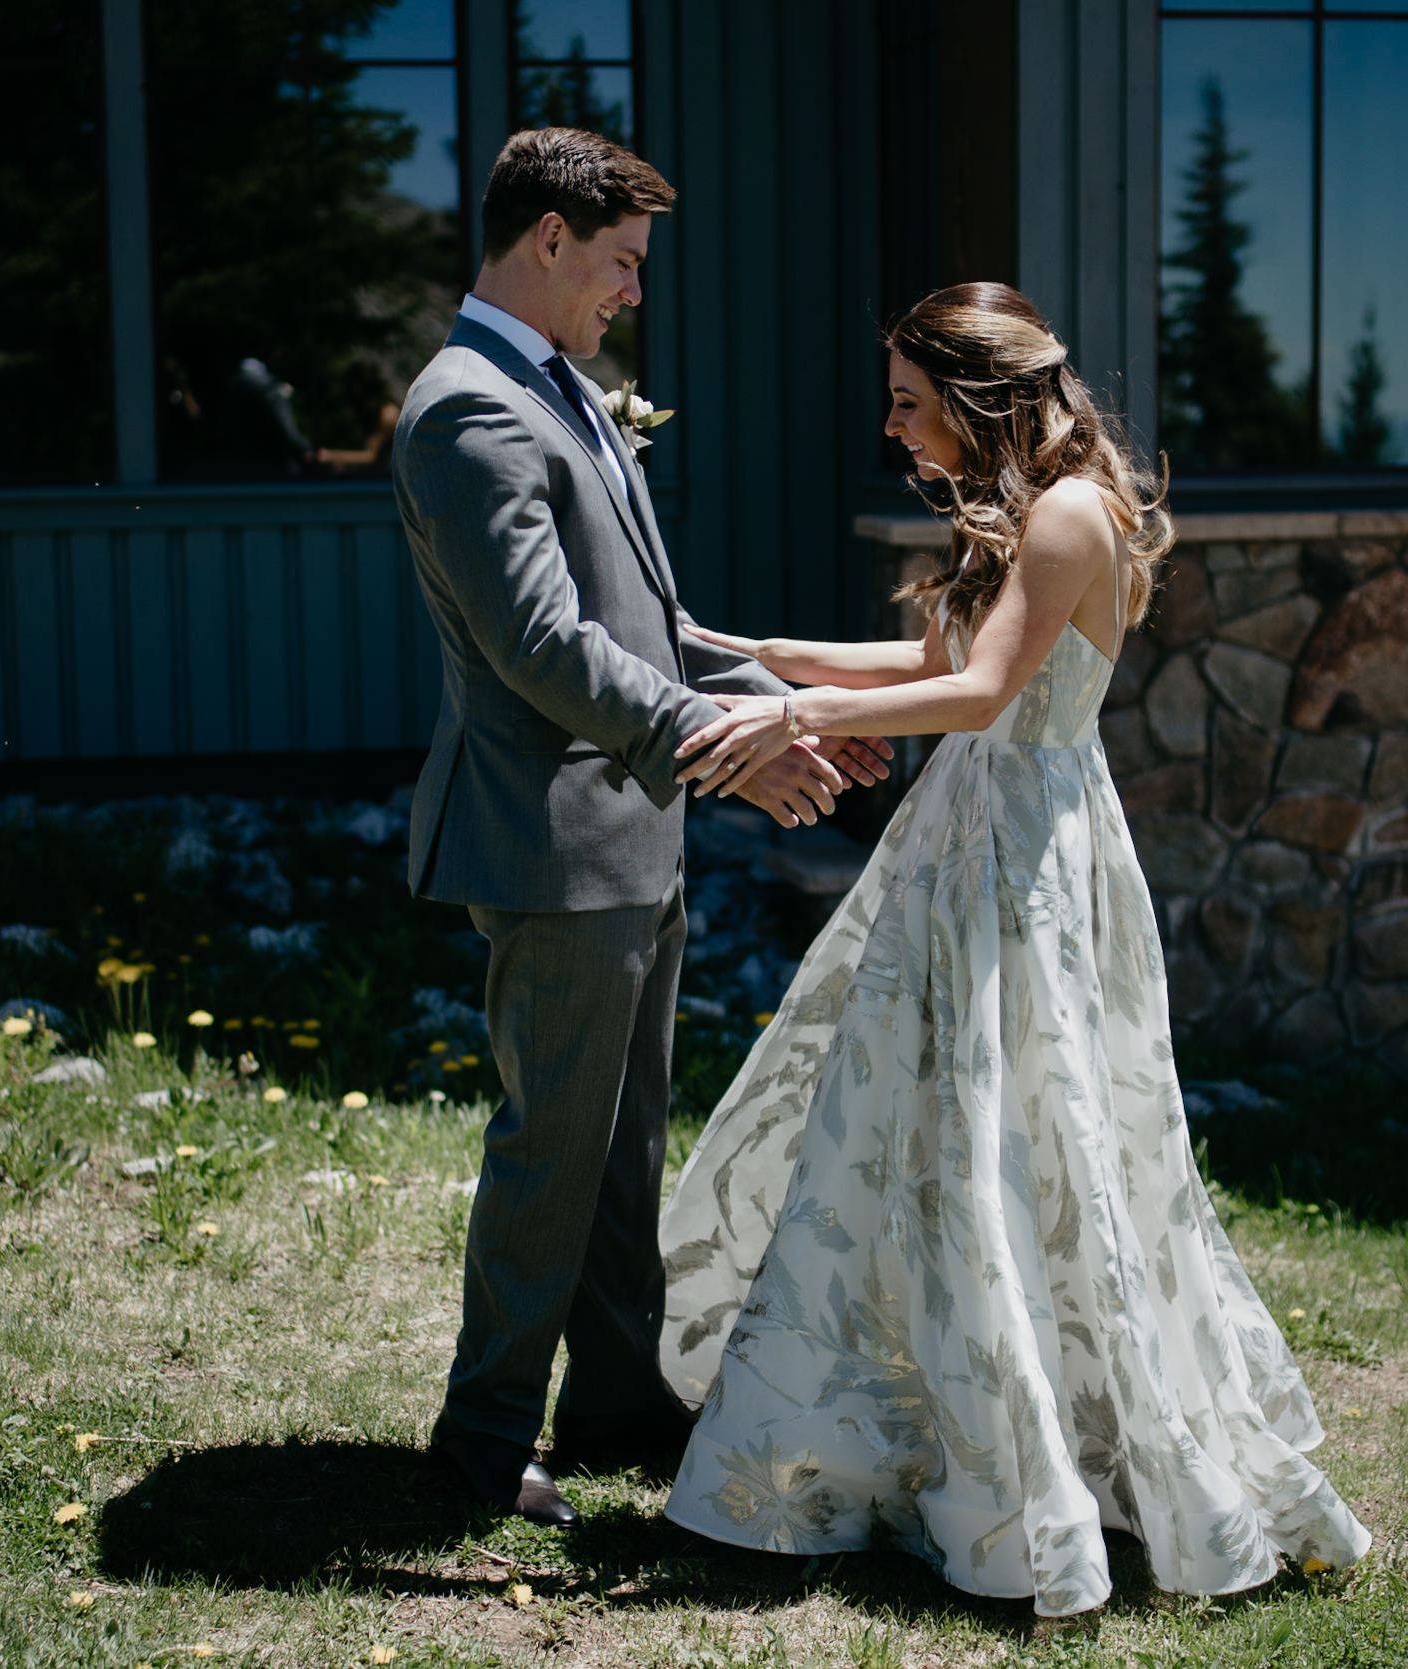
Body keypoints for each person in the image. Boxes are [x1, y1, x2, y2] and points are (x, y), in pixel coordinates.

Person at [656, 283, 1373, 1615]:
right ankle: (894, 1428)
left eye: (910, 400)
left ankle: (1046, 1455)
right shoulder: (1021, 516)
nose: (892, 425)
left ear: (981, 398)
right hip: (967, 836)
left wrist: (793, 711)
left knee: (1021, 1135)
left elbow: (983, 694)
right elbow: (939, 650)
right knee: (920, 1126)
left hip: (1023, 856)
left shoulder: (1066, 515)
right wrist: (747, 653)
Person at [389, 127, 893, 1532]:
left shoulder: (561, 390)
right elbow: (544, 646)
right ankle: (482, 1442)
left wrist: (782, 707)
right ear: (547, 239)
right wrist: (722, 747)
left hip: (634, 838)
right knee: (552, 1147)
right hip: (554, 849)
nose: (630, 292)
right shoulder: (469, 410)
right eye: (619, 262)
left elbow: (650, 627)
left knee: (623, 1146)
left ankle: (612, 1398)